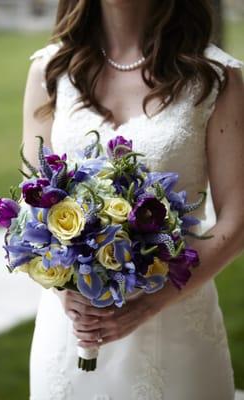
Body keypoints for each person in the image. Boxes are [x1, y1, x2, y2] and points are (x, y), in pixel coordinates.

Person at [23, 1, 244, 399]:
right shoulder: (49, 70)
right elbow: (32, 205)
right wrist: (63, 289)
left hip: (175, 331)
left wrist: (151, 303)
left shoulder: (214, 76)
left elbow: (238, 218)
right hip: (69, 333)